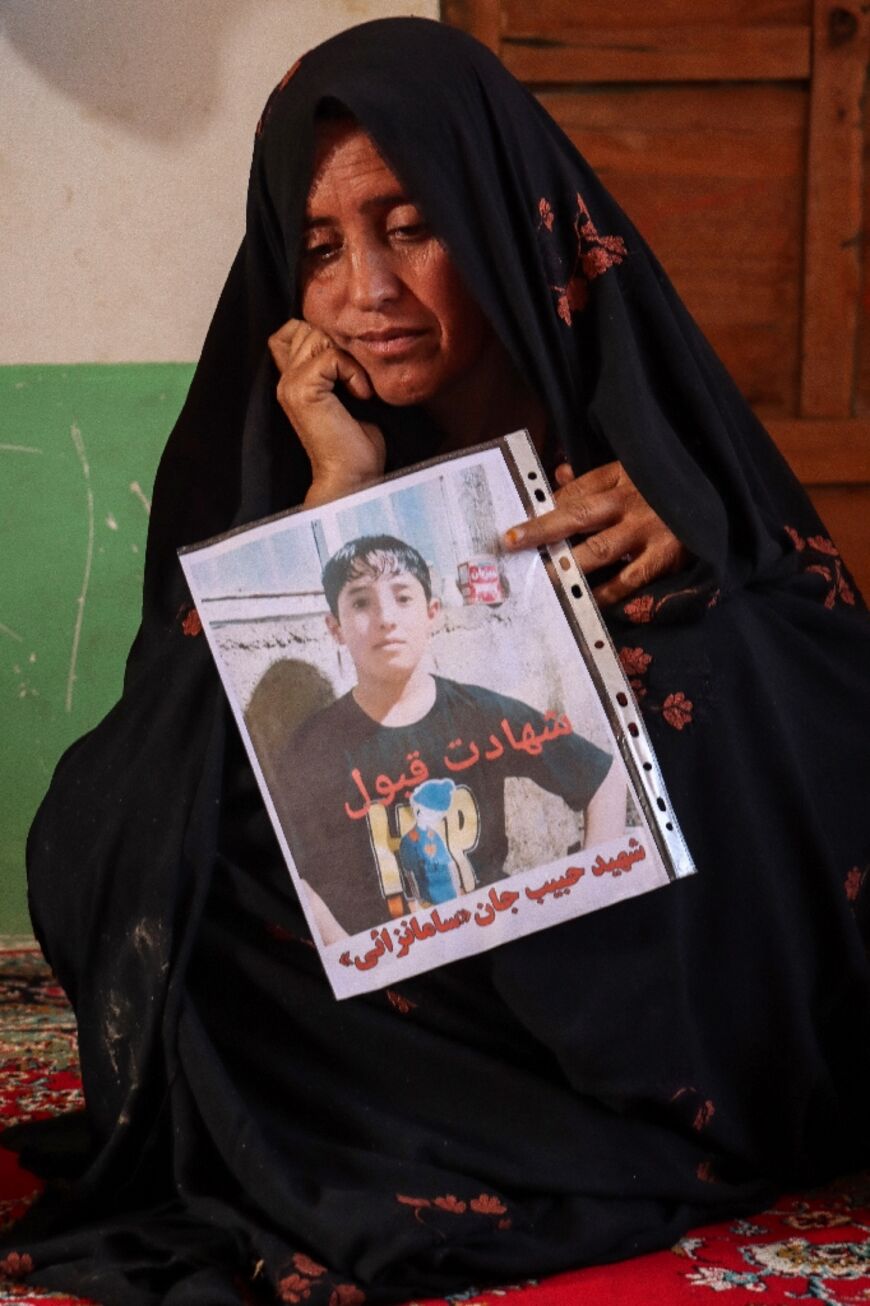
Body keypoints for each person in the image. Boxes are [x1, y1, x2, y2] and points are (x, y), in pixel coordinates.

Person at [2, 17, 869, 1306]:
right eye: (318, 249)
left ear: (501, 212)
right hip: (417, 937)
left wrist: (693, 528)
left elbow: (812, 653)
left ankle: (630, 1109)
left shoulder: (617, 384)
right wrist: (339, 493)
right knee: (158, 807)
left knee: (725, 672)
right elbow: (200, 729)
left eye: (411, 225)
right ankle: (392, 1118)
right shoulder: (301, 424)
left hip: (618, 953)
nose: (369, 290)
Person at [273, 534, 621, 939]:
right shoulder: (312, 748)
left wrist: (597, 885)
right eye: (361, 602)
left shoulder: (480, 713)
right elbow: (300, 876)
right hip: (395, 959)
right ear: (335, 627)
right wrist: (352, 956)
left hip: (495, 931)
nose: (386, 617)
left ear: (432, 613)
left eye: (403, 597)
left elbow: (603, 778)